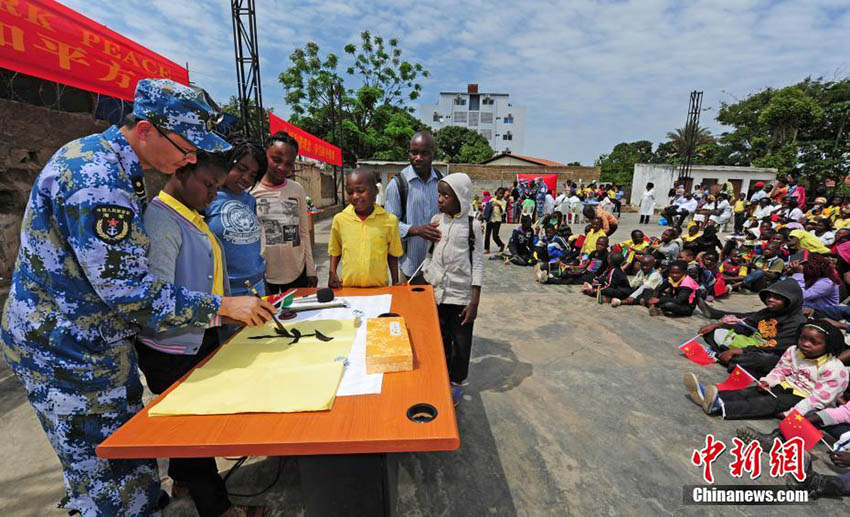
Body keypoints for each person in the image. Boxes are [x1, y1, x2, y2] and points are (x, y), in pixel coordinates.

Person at [0, 79, 274, 516]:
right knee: (111, 482)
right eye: (186, 148)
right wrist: (223, 306)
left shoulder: (115, 165)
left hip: (94, 347)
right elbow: (130, 294)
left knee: (127, 467)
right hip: (68, 354)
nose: (189, 158)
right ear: (146, 129)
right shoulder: (98, 180)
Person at [136, 152, 267, 517]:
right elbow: (155, 297)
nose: (213, 193)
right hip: (171, 347)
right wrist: (223, 306)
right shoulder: (162, 221)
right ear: (179, 172)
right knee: (192, 433)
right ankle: (219, 509)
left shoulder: (191, 216)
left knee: (189, 425)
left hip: (198, 336)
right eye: (208, 184)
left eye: (215, 185)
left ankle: (181, 482)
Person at [684, 320, 847, 419]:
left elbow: (818, 399)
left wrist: (793, 413)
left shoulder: (834, 369)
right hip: (785, 386)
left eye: (814, 342)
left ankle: (718, 406)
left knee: (766, 403)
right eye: (803, 338)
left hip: (804, 399)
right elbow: (780, 370)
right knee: (752, 392)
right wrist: (767, 382)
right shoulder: (794, 350)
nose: (805, 344)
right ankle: (708, 395)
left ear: (828, 345)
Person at [421, 173, 483, 406]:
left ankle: (456, 383)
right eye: (439, 194)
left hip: (460, 297)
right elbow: (430, 252)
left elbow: (477, 263)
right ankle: (440, 378)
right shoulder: (438, 219)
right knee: (441, 338)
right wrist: (428, 272)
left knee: (461, 342)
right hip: (437, 294)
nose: (440, 199)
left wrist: (474, 302)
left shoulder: (472, 225)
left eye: (446, 195)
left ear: (460, 197)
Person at [699, 278, 806, 377]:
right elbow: (745, 325)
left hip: (769, 351)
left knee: (765, 360)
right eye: (769, 296)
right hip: (751, 343)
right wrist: (718, 325)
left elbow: (775, 347)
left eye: (777, 298)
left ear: (790, 301)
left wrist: (741, 351)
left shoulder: (796, 322)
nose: (770, 300)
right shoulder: (767, 312)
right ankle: (727, 358)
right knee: (712, 332)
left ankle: (723, 356)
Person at [252, 131, 318, 292]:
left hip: (297, 271)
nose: (282, 167)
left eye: (289, 163)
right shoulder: (252, 191)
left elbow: (303, 232)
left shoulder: (296, 190)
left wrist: (310, 269)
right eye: (276, 160)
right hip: (266, 276)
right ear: (265, 155)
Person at [206, 139, 268, 299]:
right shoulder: (208, 197)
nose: (246, 178)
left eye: (253, 175)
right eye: (241, 169)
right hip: (227, 291)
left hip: (257, 285)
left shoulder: (250, 200)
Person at [328, 171, 403, 288]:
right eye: (350, 192)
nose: (355, 196)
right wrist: (332, 272)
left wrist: (395, 281)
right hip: (349, 287)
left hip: (379, 288)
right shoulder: (340, 219)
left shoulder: (389, 220)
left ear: (375, 191)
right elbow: (335, 250)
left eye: (361, 191)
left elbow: (392, 254)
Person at [384, 132, 443, 282]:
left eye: (425, 153)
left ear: (433, 155)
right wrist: (417, 230)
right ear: (409, 153)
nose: (418, 158)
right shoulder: (397, 185)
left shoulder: (442, 181)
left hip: (439, 266)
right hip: (409, 265)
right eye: (414, 152)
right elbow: (389, 225)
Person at [484, 187, 506, 254]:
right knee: (487, 235)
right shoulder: (492, 200)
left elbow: (503, 213)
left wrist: (499, 206)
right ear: (497, 192)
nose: (500, 195)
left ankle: (501, 245)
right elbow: (487, 208)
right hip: (490, 219)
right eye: (499, 193)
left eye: (502, 194)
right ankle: (487, 249)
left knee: (495, 236)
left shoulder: (503, 202)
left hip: (497, 220)